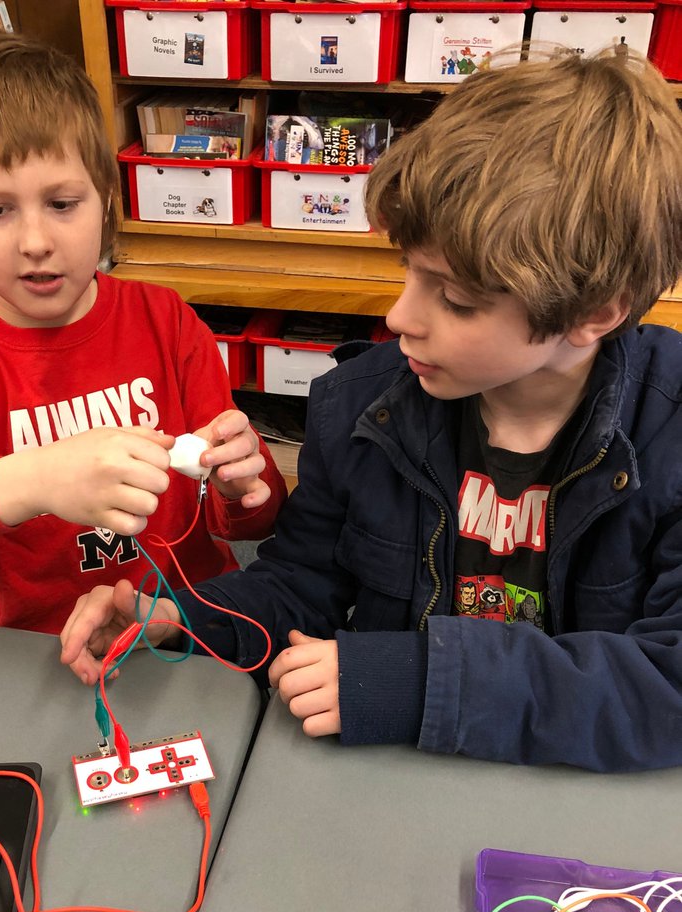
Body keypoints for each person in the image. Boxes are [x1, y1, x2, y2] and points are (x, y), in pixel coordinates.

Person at [60, 49, 682, 772]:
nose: (399, 316)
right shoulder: (364, 405)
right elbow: (301, 581)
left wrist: (421, 681)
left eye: (455, 299)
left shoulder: (665, 428)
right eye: (408, 271)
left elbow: (666, 684)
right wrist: (181, 618)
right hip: (391, 783)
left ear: (594, 313)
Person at [0, 34, 286, 634]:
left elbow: (256, 520)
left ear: (104, 197)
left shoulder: (166, 322)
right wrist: (35, 478)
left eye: (63, 203)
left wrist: (243, 481)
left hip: (188, 629)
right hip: (41, 650)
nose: (35, 242)